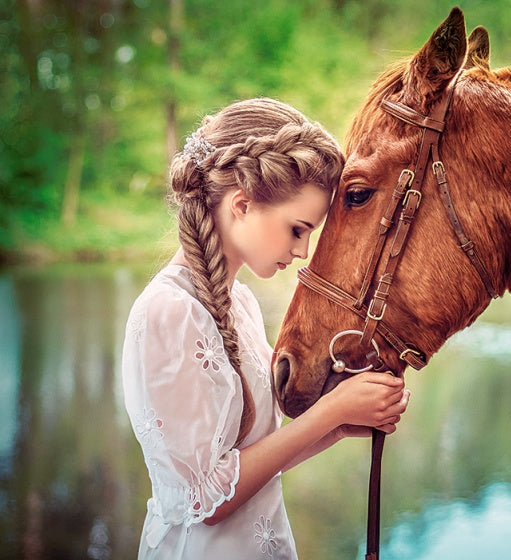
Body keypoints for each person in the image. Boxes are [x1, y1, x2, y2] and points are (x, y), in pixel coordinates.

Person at [121, 98, 410, 560]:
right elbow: (206, 500)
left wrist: (338, 427)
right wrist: (330, 412)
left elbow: (250, 465)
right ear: (242, 203)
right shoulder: (169, 311)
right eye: (298, 229)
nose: (303, 251)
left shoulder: (242, 304)